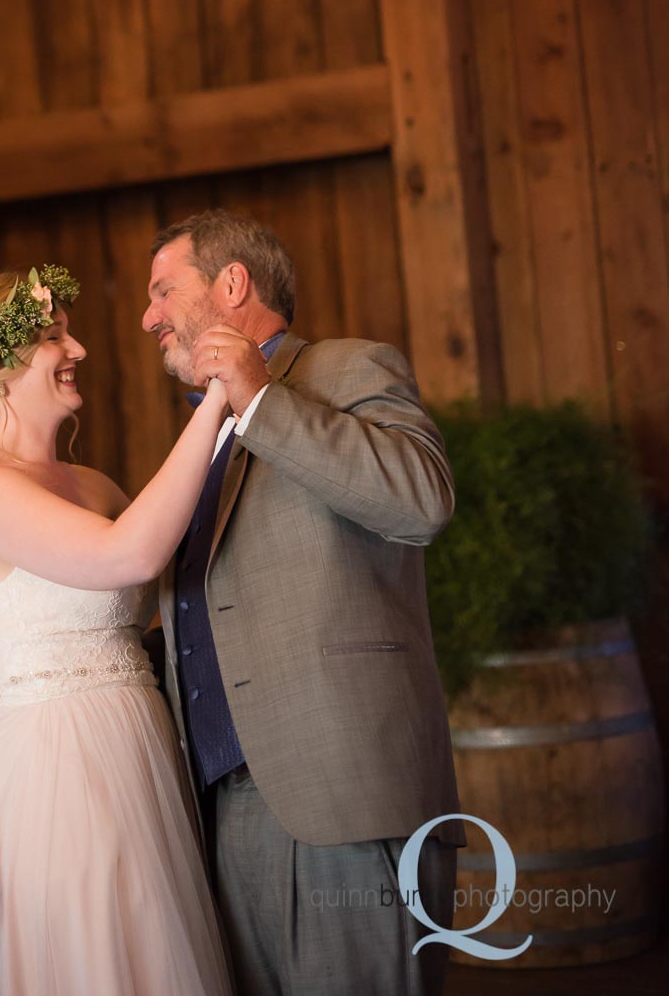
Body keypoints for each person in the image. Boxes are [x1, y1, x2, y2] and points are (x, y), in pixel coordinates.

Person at [0, 265, 233, 995]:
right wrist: (221, 394)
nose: (80, 348)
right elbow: (131, 551)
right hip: (57, 771)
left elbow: (165, 586)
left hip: (138, 747)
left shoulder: (92, 485)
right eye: (54, 335)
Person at [142, 209, 464, 996]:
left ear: (232, 284)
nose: (148, 316)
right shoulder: (200, 435)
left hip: (339, 795)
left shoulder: (349, 369)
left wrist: (261, 401)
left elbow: (422, 502)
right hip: (222, 811)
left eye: (162, 290)